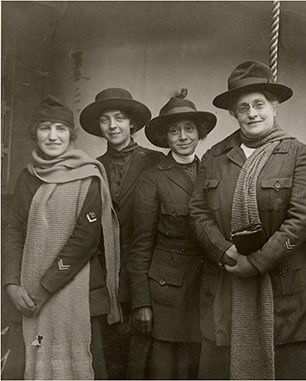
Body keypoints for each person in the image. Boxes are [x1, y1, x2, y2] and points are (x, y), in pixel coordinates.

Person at [189, 60, 306, 380]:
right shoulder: (215, 157)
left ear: (274, 107)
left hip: (284, 291)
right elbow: (198, 211)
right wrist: (223, 251)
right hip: (227, 281)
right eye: (243, 107)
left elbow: (301, 218)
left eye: (259, 105)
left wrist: (258, 262)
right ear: (234, 113)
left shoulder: (297, 154)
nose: (252, 113)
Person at [2, 96, 121, 379]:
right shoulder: (26, 178)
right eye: (45, 128)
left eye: (60, 129)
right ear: (35, 133)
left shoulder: (89, 176)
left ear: (71, 135)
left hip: (75, 295)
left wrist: (42, 290)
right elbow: (14, 231)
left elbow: (84, 241)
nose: (53, 136)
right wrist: (11, 284)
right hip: (25, 295)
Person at [127, 94, 216, 379]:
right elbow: (140, 245)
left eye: (189, 128)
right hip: (166, 294)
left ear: (199, 133)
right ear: (166, 137)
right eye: (174, 130)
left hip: (205, 291)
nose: (182, 137)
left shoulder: (213, 172)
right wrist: (141, 302)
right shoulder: (153, 177)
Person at [80, 87, 164, 379]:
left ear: (133, 124)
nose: (113, 126)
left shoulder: (156, 162)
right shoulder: (92, 168)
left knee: (146, 359)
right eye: (105, 120)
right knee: (110, 357)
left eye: (120, 118)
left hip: (148, 274)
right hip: (107, 277)